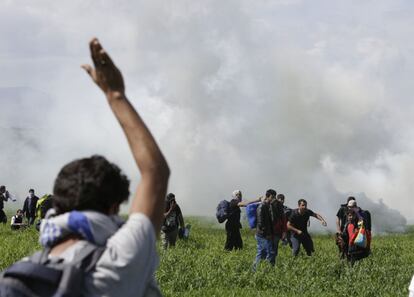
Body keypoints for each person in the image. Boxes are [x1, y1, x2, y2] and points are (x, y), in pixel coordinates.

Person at [4, 38, 170, 296]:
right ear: (113, 208)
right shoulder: (119, 262)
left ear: (57, 206)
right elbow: (155, 173)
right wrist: (116, 95)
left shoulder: (18, 277)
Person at [253, 189, 276, 269]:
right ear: (267, 196)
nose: (273, 199)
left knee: (263, 253)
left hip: (264, 234)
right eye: (272, 197)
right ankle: (258, 269)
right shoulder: (262, 206)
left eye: (274, 197)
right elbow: (260, 222)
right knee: (267, 252)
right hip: (262, 234)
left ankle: (257, 269)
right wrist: (267, 234)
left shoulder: (268, 206)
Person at [269, 193, 287, 265]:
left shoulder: (284, 209)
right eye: (280, 199)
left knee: (274, 250)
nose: (282, 201)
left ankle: (271, 265)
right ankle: (268, 264)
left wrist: (284, 231)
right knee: (269, 249)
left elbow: (284, 221)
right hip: (270, 231)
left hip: (277, 232)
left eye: (283, 199)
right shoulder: (270, 206)